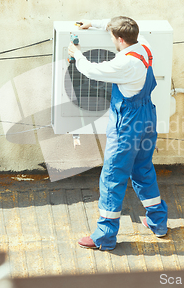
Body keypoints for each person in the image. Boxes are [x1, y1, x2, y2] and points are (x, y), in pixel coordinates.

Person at [67, 16, 168, 251]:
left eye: (112, 36)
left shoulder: (124, 65)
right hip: (147, 118)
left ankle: (104, 236)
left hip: (127, 124)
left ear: (120, 40)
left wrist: (76, 53)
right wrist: (94, 23)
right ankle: (157, 222)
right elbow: (120, 26)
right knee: (142, 169)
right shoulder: (143, 46)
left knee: (113, 176)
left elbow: (92, 70)